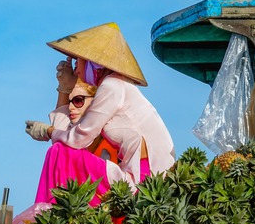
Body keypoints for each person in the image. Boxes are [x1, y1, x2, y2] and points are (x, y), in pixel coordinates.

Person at [26, 22, 175, 204]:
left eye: (78, 61)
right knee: (60, 151)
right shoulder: (114, 86)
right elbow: (72, 137)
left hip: (143, 184)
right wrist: (65, 89)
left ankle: (46, 211)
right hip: (136, 179)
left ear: (92, 62)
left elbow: (78, 140)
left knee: (58, 152)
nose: (76, 69)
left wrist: (48, 131)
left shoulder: (112, 85)